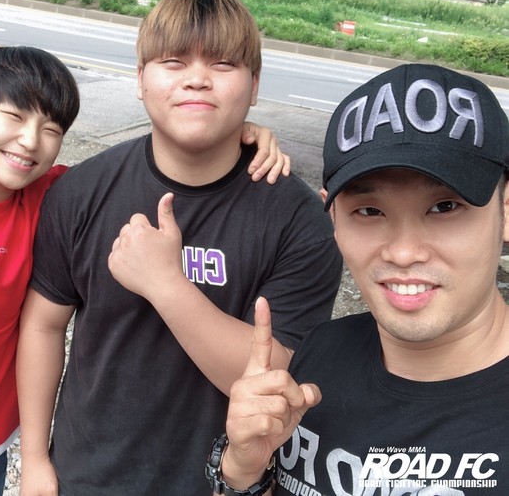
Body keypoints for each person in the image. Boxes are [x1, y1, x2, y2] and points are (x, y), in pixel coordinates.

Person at [0, 45, 286, 495]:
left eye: (51, 129)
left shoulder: (54, 198)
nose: (30, 141)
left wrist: (233, 135)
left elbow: (152, 172)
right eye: (14, 116)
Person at [17, 0, 342, 496]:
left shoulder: (299, 220)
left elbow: (271, 376)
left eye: (223, 64)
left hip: (216, 483)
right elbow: (43, 325)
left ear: (254, 86)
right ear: (140, 79)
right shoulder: (82, 190)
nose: (196, 78)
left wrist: (166, 284)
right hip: (85, 475)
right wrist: (35, 459)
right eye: (173, 62)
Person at [212, 63, 509, 495]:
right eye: (369, 211)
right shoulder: (321, 354)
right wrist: (242, 473)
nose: (403, 252)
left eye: (445, 207)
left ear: (505, 209)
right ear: (332, 217)